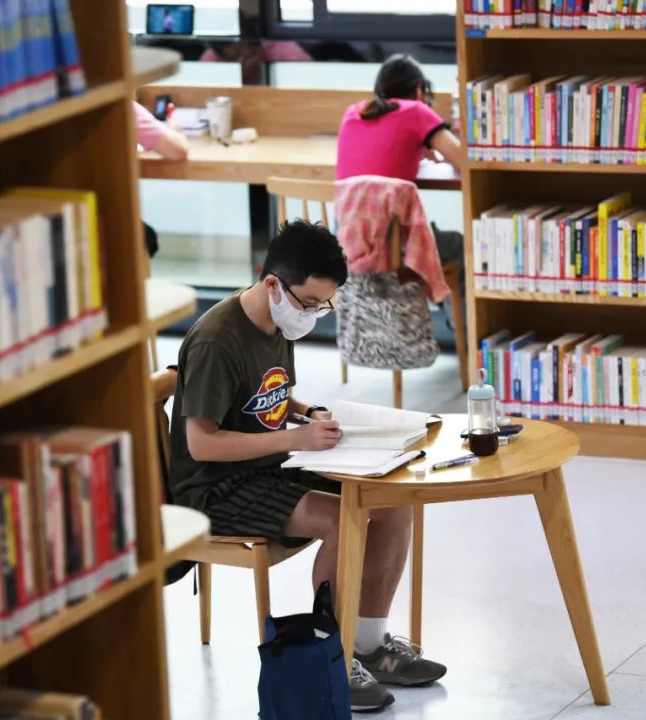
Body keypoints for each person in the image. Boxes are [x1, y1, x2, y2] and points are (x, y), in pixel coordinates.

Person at [169, 220, 447, 713]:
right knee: (343, 518)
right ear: (272, 283)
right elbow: (202, 444)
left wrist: (304, 413)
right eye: (310, 304)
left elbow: (269, 393)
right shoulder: (217, 340)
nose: (315, 315)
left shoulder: (277, 318)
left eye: (325, 304)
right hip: (217, 488)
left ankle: (368, 642)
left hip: (271, 460)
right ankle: (332, 657)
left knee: (393, 501)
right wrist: (295, 437)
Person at [336, 54, 467, 314]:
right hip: (393, 246)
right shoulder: (418, 112)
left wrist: (417, 146)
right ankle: (463, 330)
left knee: (423, 231)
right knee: (459, 245)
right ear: (419, 89)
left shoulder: (354, 113)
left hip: (347, 244)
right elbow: (462, 160)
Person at [135, 100, 188, 256]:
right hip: (111, 220)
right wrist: (174, 130)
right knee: (148, 238)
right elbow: (178, 150)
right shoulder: (128, 109)